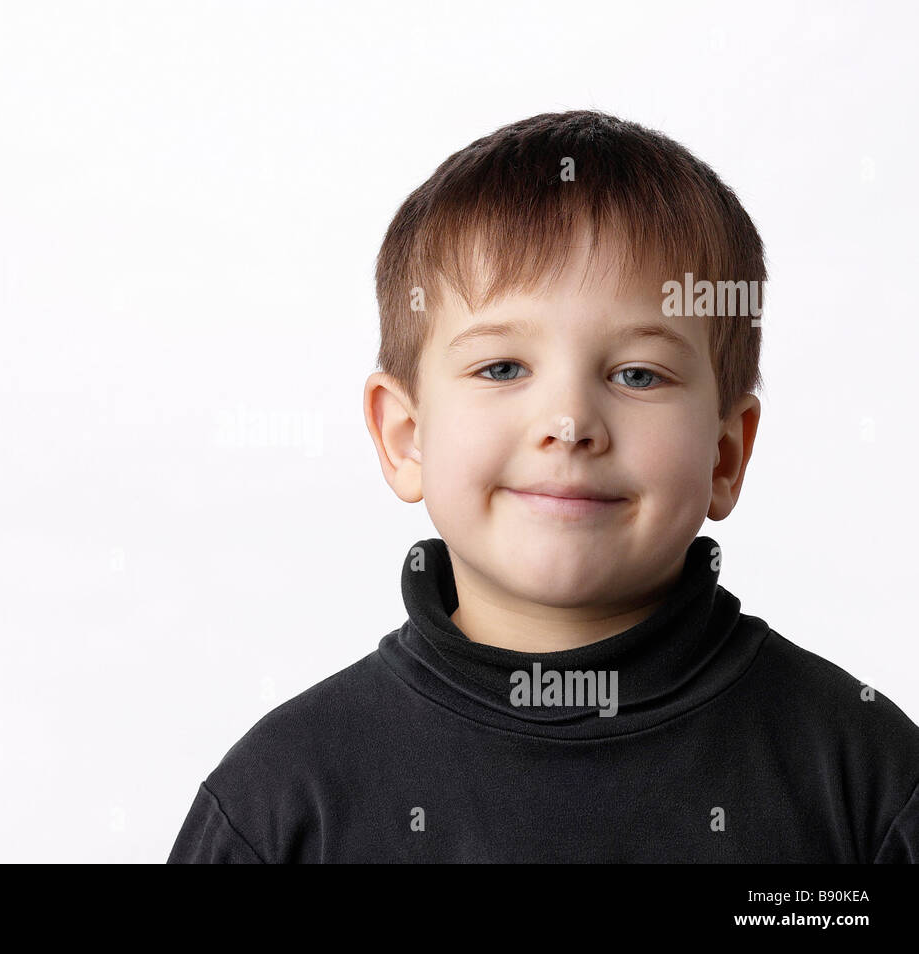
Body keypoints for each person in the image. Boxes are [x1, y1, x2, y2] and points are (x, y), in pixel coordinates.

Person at [167, 110, 919, 863]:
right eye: (502, 368)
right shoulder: (282, 806)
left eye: (636, 374)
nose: (568, 422)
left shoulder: (866, 785)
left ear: (726, 454)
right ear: (405, 437)